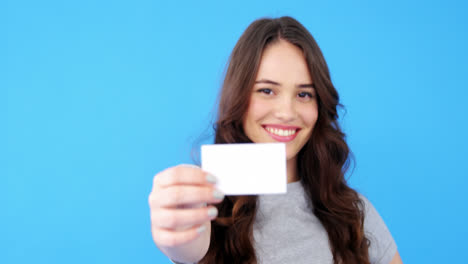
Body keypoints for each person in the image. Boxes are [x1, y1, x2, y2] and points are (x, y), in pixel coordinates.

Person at [148, 16, 403, 264]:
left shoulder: (354, 212)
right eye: (267, 91)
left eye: (304, 94)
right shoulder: (205, 207)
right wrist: (178, 238)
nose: (287, 112)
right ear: (239, 98)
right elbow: (187, 247)